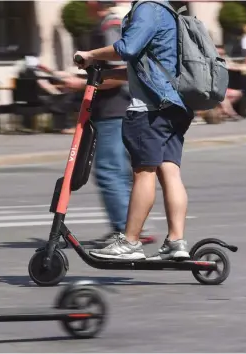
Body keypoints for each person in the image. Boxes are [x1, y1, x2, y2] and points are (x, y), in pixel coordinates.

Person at [72, 0, 194, 260]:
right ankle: (176, 242)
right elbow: (147, 66)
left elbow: (128, 48)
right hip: (174, 106)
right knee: (169, 172)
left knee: (143, 173)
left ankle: (130, 241)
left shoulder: (147, 9)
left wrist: (92, 54)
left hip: (149, 109)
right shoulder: (169, 12)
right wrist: (107, 75)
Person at [63, 0, 156, 245]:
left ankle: (125, 230)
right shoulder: (107, 23)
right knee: (121, 171)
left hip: (115, 110)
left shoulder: (110, 25)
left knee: (109, 170)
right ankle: (133, 228)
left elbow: (119, 71)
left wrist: (80, 84)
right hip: (117, 109)